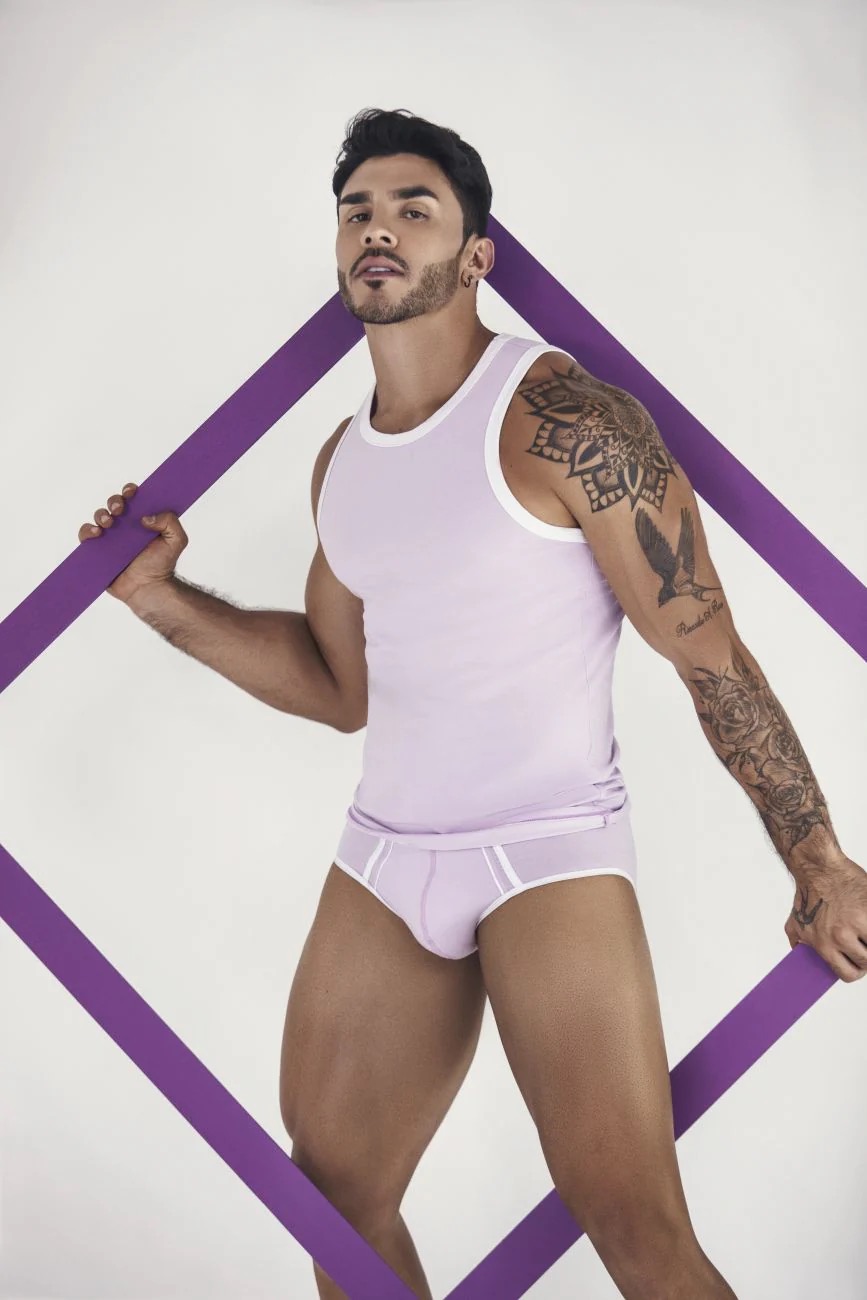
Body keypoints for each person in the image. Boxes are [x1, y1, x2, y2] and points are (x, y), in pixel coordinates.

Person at [78, 108, 866, 1300]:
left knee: (635, 1225)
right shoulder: (344, 461)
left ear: (477, 253)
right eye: (356, 211)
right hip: (387, 854)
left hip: (548, 849)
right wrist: (159, 598)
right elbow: (338, 686)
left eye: (413, 208)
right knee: (336, 1199)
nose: (378, 229)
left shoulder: (567, 420)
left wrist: (819, 859)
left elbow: (706, 651)